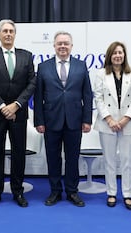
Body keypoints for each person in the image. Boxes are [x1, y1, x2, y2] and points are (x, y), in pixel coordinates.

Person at [0, 19, 36, 208]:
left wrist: (17, 105)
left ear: (15, 34)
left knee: (18, 153)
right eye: (4, 31)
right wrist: (3, 106)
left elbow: (32, 83)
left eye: (11, 31)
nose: (8, 34)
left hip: (19, 114)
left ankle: (17, 191)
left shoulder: (26, 56)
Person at [34, 31, 93, 207]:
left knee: (72, 158)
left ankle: (72, 192)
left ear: (71, 46)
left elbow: (87, 95)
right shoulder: (43, 67)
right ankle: (55, 191)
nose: (63, 46)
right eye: (59, 43)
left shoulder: (81, 66)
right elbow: (37, 97)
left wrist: (87, 119)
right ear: (54, 46)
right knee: (53, 158)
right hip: (51, 120)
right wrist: (39, 121)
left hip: (74, 120)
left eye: (66, 43)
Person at [92, 41, 131, 210]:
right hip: (108, 123)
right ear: (109, 56)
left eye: (120, 52)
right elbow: (98, 98)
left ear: (124, 55)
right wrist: (110, 119)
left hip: (128, 122)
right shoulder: (100, 74)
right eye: (114, 53)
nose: (118, 56)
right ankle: (111, 192)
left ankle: (127, 194)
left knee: (128, 160)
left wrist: (126, 118)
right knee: (110, 160)